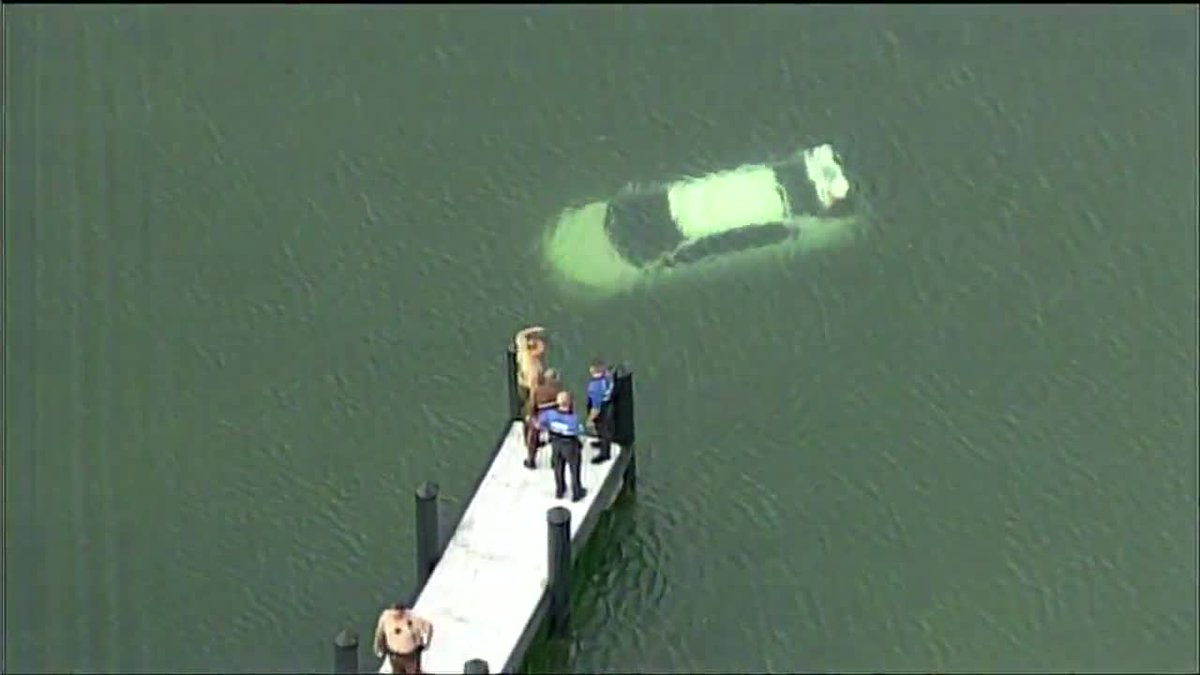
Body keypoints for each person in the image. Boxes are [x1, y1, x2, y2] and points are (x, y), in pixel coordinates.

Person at [537, 391, 587, 502]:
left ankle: (560, 490)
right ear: (569, 403)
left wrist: (547, 430)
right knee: (574, 469)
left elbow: (539, 423)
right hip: (569, 445)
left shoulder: (549, 414)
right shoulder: (574, 419)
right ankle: (576, 493)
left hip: (555, 444)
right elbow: (580, 433)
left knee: (558, 468)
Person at [374, 603, 434, 674]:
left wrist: (427, 643)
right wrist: (377, 646)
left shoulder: (413, 618)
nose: (397, 616)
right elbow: (379, 633)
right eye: (395, 614)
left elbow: (429, 626)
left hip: (410, 656)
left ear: (403, 611)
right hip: (394, 655)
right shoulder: (386, 617)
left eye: (400, 614)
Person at [522, 368, 563, 469]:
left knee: (530, 429)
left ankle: (531, 459)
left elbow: (532, 406)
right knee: (556, 436)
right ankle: (555, 460)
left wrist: (531, 416)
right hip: (555, 419)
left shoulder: (537, 390)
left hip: (540, 418)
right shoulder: (559, 390)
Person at [585, 359, 616, 464]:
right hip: (608, 404)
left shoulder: (595, 386)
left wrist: (589, 419)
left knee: (602, 429)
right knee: (605, 428)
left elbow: (596, 408)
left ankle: (604, 453)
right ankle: (602, 442)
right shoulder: (608, 378)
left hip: (601, 408)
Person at [513, 326, 547, 413]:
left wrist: (534, 329)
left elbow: (520, 336)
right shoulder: (532, 364)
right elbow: (533, 391)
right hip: (528, 390)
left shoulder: (524, 352)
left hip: (523, 385)